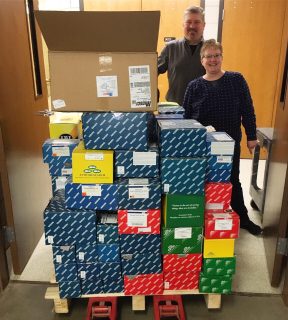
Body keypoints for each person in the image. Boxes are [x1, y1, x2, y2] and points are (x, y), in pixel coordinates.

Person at [183, 39, 263, 236]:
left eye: (216, 55)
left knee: (232, 179)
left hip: (229, 144)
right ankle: (201, 218)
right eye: (208, 56)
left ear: (221, 57)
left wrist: (251, 136)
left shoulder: (236, 80)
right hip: (202, 145)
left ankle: (242, 217)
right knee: (203, 181)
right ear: (202, 60)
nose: (212, 60)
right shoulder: (194, 86)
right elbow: (185, 118)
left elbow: (247, 109)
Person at [158, 5, 206, 105]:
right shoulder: (170, 48)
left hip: (203, 108)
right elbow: (153, 71)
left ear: (204, 25)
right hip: (174, 109)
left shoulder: (210, 50)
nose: (192, 26)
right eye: (188, 22)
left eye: (197, 22)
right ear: (183, 25)